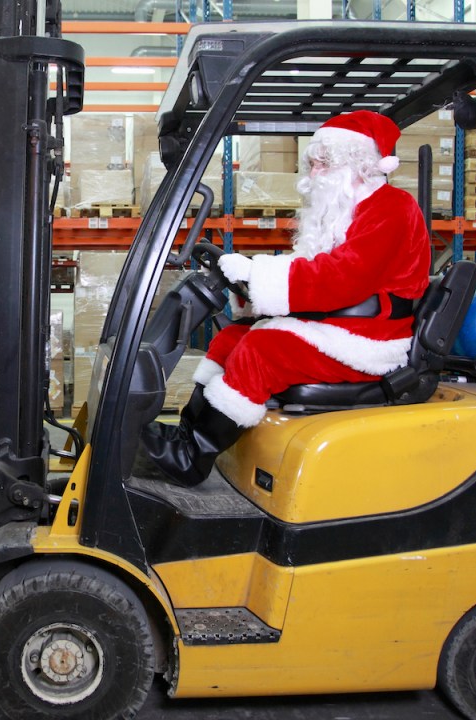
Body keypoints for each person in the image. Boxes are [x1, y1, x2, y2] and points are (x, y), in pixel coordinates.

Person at [139, 110, 431, 486]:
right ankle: (187, 434)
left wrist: (258, 275)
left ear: (358, 164)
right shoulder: (343, 212)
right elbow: (310, 267)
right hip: (338, 324)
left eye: (323, 164)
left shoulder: (391, 207)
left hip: (369, 338)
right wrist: (251, 278)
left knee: (263, 350)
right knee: (230, 339)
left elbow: (343, 278)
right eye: (313, 164)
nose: (313, 174)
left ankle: (192, 457)